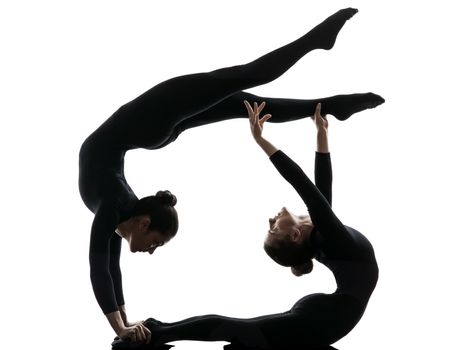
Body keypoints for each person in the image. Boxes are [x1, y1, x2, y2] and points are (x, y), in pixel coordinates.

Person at [79, 7, 384, 343]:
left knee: (247, 88)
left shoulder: (114, 208)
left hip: (147, 124)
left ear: (143, 222)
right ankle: (325, 77)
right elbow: (104, 267)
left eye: (155, 244)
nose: (152, 250)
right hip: (149, 124)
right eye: (157, 243)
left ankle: (325, 79)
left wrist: (122, 324)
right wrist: (122, 323)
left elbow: (105, 267)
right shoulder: (117, 209)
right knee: (245, 87)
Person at [128, 101, 378, 350]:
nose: (271, 220)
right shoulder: (330, 236)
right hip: (325, 320)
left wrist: (321, 134)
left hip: (323, 319)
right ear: (294, 235)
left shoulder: (325, 235)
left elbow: (320, 189)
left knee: (242, 336)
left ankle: (158, 331)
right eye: (273, 228)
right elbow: (305, 185)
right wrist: (261, 140)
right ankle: (157, 332)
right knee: (239, 332)